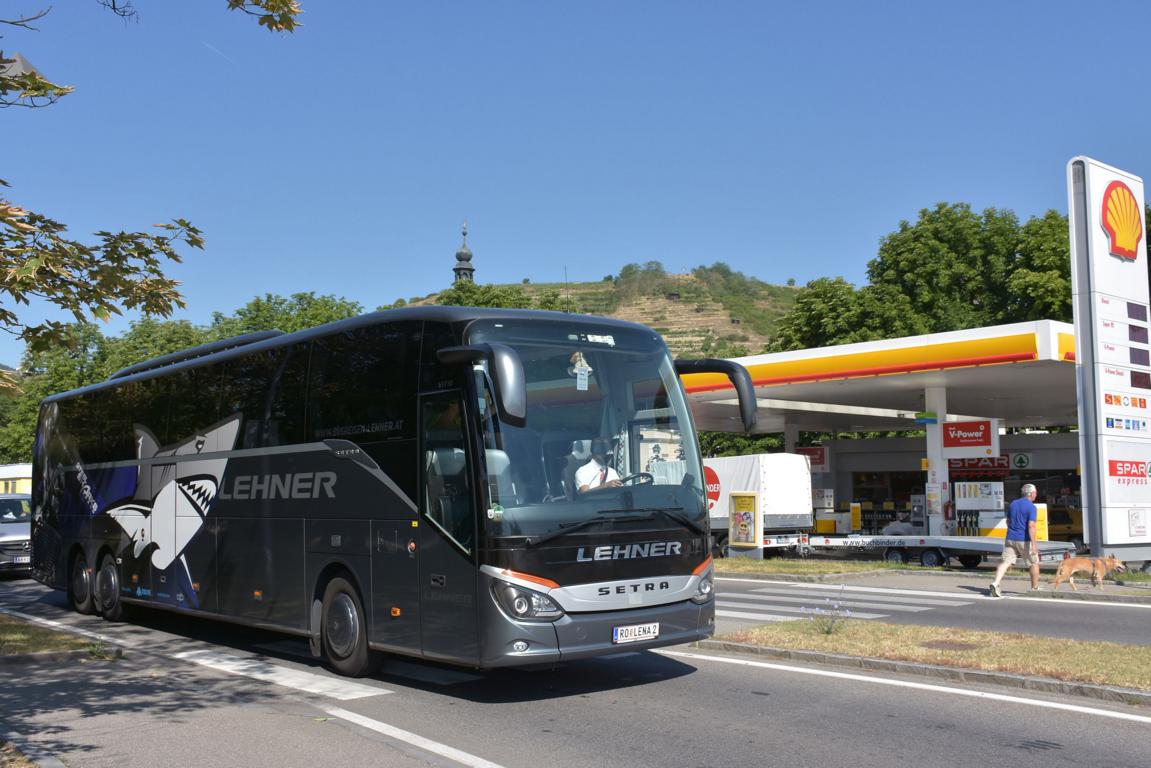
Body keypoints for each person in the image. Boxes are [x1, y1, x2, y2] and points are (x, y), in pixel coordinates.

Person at [989, 483, 1040, 597]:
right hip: (1024, 540)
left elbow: (1008, 521)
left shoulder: (1013, 504)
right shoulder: (1031, 507)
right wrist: (1034, 545)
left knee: (1005, 562)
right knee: (1033, 563)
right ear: (1032, 494)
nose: (1036, 495)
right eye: (1036, 493)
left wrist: (1013, 530)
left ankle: (996, 582)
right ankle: (1035, 588)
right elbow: (1031, 525)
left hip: (1010, 538)